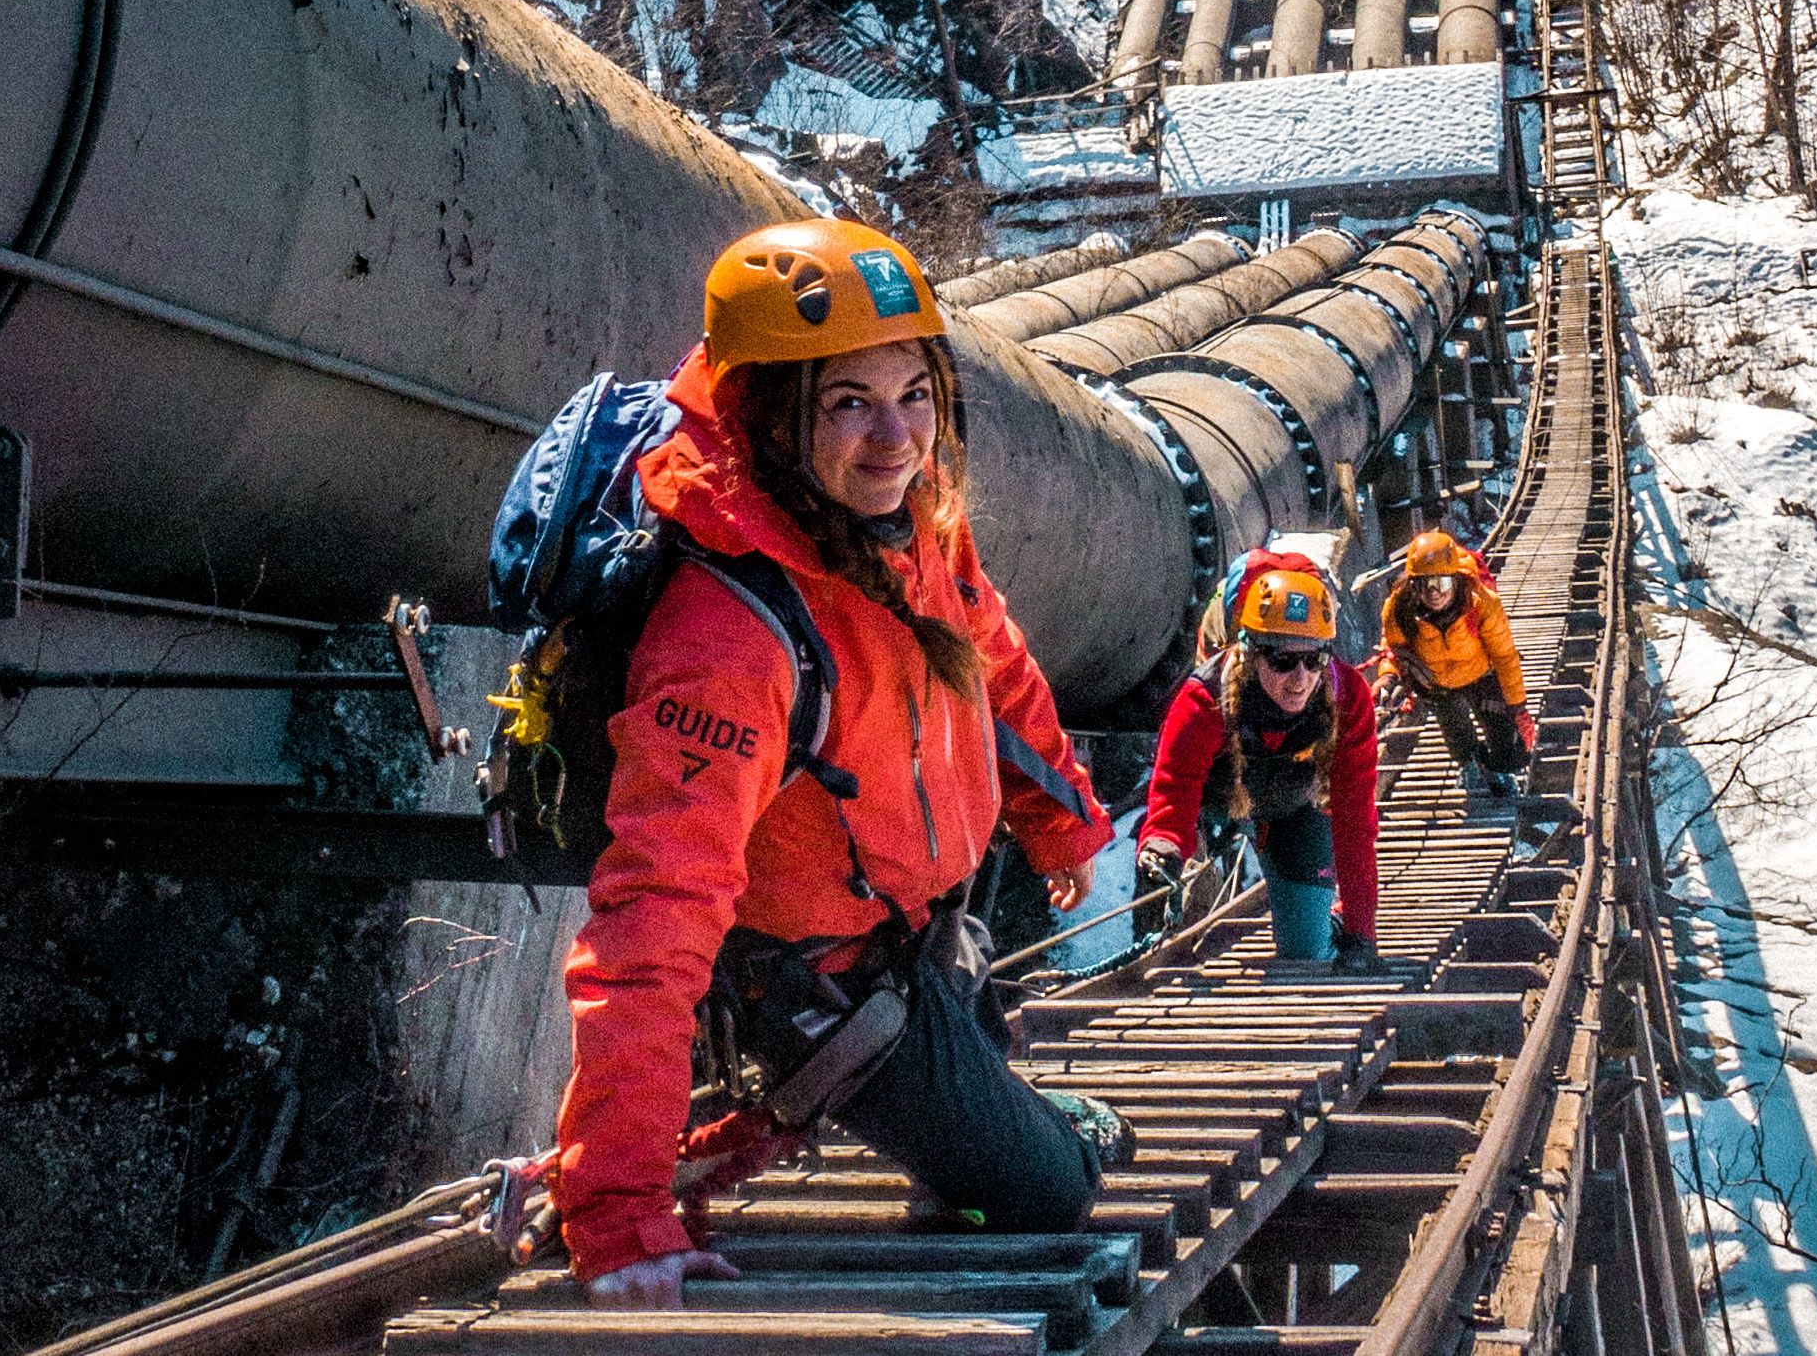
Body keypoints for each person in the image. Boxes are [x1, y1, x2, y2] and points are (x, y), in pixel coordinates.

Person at [553, 218, 1125, 1309]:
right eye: (847, 402)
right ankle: (1042, 1134)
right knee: (1047, 1192)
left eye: (913, 394)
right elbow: (651, 917)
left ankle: (986, 1112)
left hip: (914, 935)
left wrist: (1064, 820)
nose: (894, 437)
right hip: (821, 984)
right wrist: (618, 1215)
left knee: (986, 1132)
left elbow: (990, 663)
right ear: (771, 413)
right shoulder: (726, 636)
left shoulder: (909, 524)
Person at [1132, 558, 1382, 969]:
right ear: (1250, 653)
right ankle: (1148, 959)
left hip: (1291, 811)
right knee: (1157, 861)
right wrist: (1164, 847)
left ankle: (1326, 925)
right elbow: (1175, 788)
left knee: (1308, 952)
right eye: (1283, 661)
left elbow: (1354, 819)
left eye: (1314, 660)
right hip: (1213, 804)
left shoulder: (1348, 699)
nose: (1300, 679)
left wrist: (1360, 931)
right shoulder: (1203, 700)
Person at [1377, 529, 1535, 804]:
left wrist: (1518, 707)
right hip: (1437, 682)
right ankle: (1470, 762)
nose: (1434, 593)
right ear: (1413, 585)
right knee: (1458, 735)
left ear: (1456, 580)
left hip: (1481, 673)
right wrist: (1389, 677)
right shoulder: (1398, 609)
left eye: (1442, 584)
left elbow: (1505, 656)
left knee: (1508, 746)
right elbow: (1395, 649)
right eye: (1425, 585)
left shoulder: (1480, 603)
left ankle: (1498, 769)